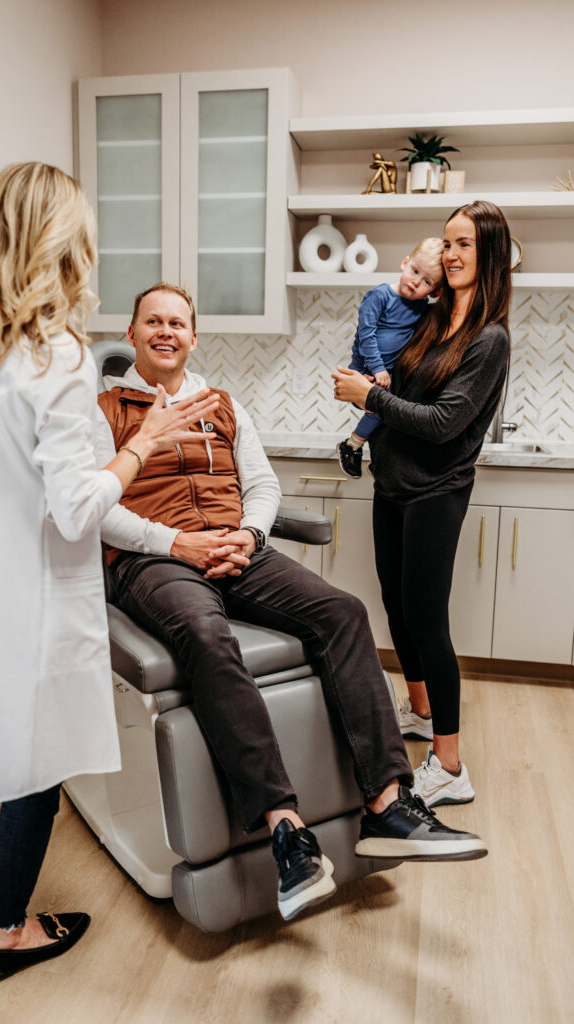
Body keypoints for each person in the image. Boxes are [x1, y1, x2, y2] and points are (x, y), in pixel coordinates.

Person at [0, 163, 218, 985]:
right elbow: (77, 509)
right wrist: (144, 443)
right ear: (64, 242)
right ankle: (5, 933)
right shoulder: (60, 353)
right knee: (34, 761)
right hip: (36, 587)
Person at [94, 281, 489, 925]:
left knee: (344, 612)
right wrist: (178, 544)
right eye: (153, 322)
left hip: (237, 548)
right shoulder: (104, 410)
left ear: (194, 337)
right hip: (155, 559)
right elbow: (98, 508)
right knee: (207, 633)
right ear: (132, 333)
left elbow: (262, 483)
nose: (166, 332)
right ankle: (286, 830)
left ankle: (386, 805)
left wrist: (250, 535)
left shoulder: (223, 404)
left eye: (178, 323)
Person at [332, 200, 511, 808]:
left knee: (428, 622)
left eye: (464, 244)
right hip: (392, 483)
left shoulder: (488, 339)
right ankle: (420, 709)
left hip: (436, 491)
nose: (452, 254)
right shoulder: (431, 316)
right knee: (396, 605)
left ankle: (450, 765)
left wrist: (368, 398)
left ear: (489, 254)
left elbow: (441, 423)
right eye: (447, 242)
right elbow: (393, 378)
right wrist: (369, 381)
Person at [337, 238, 444, 478]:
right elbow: (365, 335)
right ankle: (351, 446)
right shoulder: (380, 295)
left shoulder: (421, 305)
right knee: (378, 411)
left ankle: (367, 452)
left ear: (435, 292)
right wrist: (377, 369)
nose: (416, 282)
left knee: (392, 413)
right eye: (415, 271)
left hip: (391, 373)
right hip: (367, 367)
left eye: (427, 281)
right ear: (405, 263)